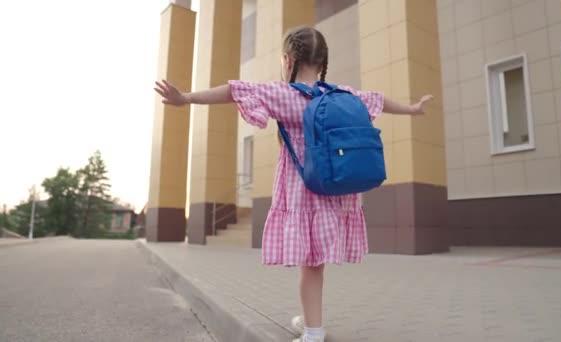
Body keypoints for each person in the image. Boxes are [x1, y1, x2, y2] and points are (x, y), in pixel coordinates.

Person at [154, 26, 433, 342]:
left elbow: (233, 90)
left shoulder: (284, 94)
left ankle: (313, 332)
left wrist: (185, 98)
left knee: (311, 266)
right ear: (323, 60)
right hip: (336, 193)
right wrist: (412, 109)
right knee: (315, 266)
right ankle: (310, 320)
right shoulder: (342, 94)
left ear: (288, 60)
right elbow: (378, 100)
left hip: (303, 193)